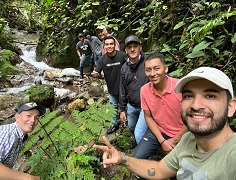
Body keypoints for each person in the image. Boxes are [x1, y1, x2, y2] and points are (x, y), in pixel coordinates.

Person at [93, 67, 236, 179]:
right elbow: (160, 170)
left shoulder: (231, 155)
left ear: (230, 107)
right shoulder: (188, 141)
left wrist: (173, 139)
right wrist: (122, 158)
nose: (196, 105)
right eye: (188, 96)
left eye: (210, 96)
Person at [133, 53, 188, 160]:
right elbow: (148, 117)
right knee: (137, 159)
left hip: (184, 133)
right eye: (148, 70)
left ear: (166, 69)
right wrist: (162, 140)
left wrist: (175, 140)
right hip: (159, 131)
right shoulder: (144, 90)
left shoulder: (180, 87)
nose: (152, 73)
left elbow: (191, 119)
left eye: (156, 68)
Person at [0, 102, 46, 180]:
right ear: (17, 117)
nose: (32, 120)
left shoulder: (19, 135)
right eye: (28, 115)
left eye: (36, 117)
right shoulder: (8, 134)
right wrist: (26, 178)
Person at [91, 36, 127, 134]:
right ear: (104, 46)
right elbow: (97, 71)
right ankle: (113, 124)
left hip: (125, 89)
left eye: (111, 44)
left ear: (115, 45)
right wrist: (95, 74)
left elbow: (131, 67)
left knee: (126, 107)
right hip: (112, 89)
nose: (109, 46)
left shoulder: (122, 56)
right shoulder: (102, 60)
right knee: (113, 108)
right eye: (107, 44)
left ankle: (127, 124)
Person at [119, 35, 148, 148]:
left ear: (140, 48)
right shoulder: (124, 68)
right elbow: (122, 89)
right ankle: (137, 141)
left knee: (139, 133)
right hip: (131, 105)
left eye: (135, 46)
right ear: (126, 50)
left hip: (145, 106)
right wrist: (122, 109)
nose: (132, 49)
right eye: (129, 47)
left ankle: (144, 157)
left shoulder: (148, 63)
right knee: (131, 127)